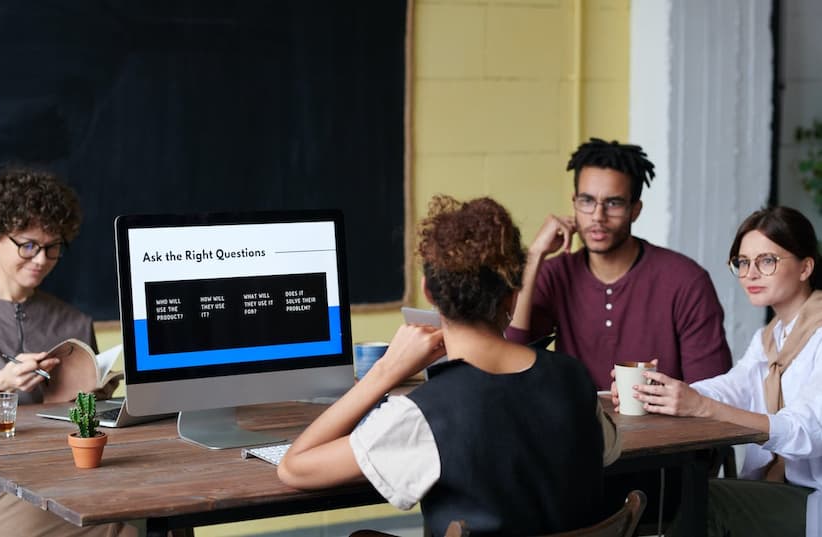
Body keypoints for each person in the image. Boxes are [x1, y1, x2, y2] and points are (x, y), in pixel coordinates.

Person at [278, 195, 621, 536]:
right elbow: (606, 452)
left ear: (428, 291)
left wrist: (385, 372)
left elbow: (294, 468)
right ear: (513, 293)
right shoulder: (575, 379)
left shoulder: (423, 415)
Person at [628, 206, 822, 537]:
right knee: (695, 493)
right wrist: (664, 392)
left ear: (805, 267)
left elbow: (807, 432)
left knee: (708, 498)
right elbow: (732, 386)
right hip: (786, 487)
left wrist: (702, 407)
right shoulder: (771, 338)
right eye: (743, 262)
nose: (750, 274)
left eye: (767, 261)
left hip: (813, 495)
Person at [505, 137, 732, 390]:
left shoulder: (686, 281)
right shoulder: (556, 273)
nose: (597, 216)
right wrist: (535, 255)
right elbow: (511, 354)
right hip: (576, 428)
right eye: (587, 201)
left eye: (613, 203)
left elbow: (712, 392)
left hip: (662, 428)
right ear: (574, 203)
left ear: (635, 210)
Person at [0, 165, 135, 537]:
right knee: (127, 517)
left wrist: (95, 399)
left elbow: (88, 426)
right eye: (28, 245)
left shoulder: (73, 323)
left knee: (141, 506)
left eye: (52, 248)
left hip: (69, 478)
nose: (40, 260)